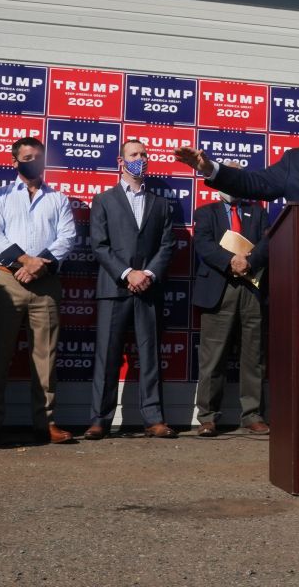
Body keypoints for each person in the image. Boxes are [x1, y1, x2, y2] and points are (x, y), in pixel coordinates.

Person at [0, 137, 77, 447]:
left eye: (39, 156)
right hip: (8, 280)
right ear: (14, 162)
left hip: (45, 284)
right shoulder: (0, 197)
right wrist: (24, 260)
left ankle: (46, 423)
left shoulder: (58, 198)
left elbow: (67, 237)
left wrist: (39, 265)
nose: (34, 161)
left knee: (46, 356)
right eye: (27, 157)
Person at [85, 140, 177, 440]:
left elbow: (167, 245)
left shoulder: (161, 204)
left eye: (144, 155)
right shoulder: (104, 200)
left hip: (148, 289)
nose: (141, 159)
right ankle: (99, 419)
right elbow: (99, 244)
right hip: (114, 288)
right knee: (107, 356)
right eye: (134, 155)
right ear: (121, 161)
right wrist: (127, 274)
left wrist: (147, 273)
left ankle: (154, 419)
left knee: (149, 356)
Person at [191, 174, 270, 437]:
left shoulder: (257, 213)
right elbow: (203, 244)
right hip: (218, 289)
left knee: (253, 356)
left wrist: (249, 261)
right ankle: (207, 417)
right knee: (212, 358)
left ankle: (253, 415)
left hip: (251, 289)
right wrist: (231, 261)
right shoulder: (205, 213)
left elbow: (267, 243)